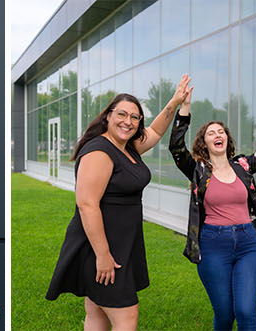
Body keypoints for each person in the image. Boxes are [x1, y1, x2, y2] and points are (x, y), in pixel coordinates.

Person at [46, 75, 191, 330]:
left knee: (96, 311)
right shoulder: (100, 151)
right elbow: (87, 204)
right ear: (108, 116)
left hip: (120, 245)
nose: (128, 121)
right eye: (122, 114)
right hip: (103, 248)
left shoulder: (126, 147)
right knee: (126, 316)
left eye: (135, 117)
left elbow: (156, 131)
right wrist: (102, 255)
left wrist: (175, 101)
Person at [168, 81, 256, 330]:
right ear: (204, 142)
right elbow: (176, 148)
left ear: (227, 139)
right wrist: (184, 108)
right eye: (211, 132)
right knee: (225, 315)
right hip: (213, 244)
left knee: (246, 312)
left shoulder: (243, 166)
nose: (218, 135)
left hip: (248, 243)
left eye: (221, 131)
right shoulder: (198, 170)